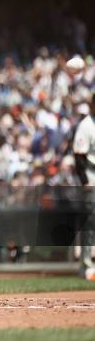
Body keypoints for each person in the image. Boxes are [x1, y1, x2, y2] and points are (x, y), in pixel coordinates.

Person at [73, 94, 95, 281]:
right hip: (91, 176)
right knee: (90, 222)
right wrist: (85, 181)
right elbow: (79, 156)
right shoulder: (86, 125)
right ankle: (87, 266)